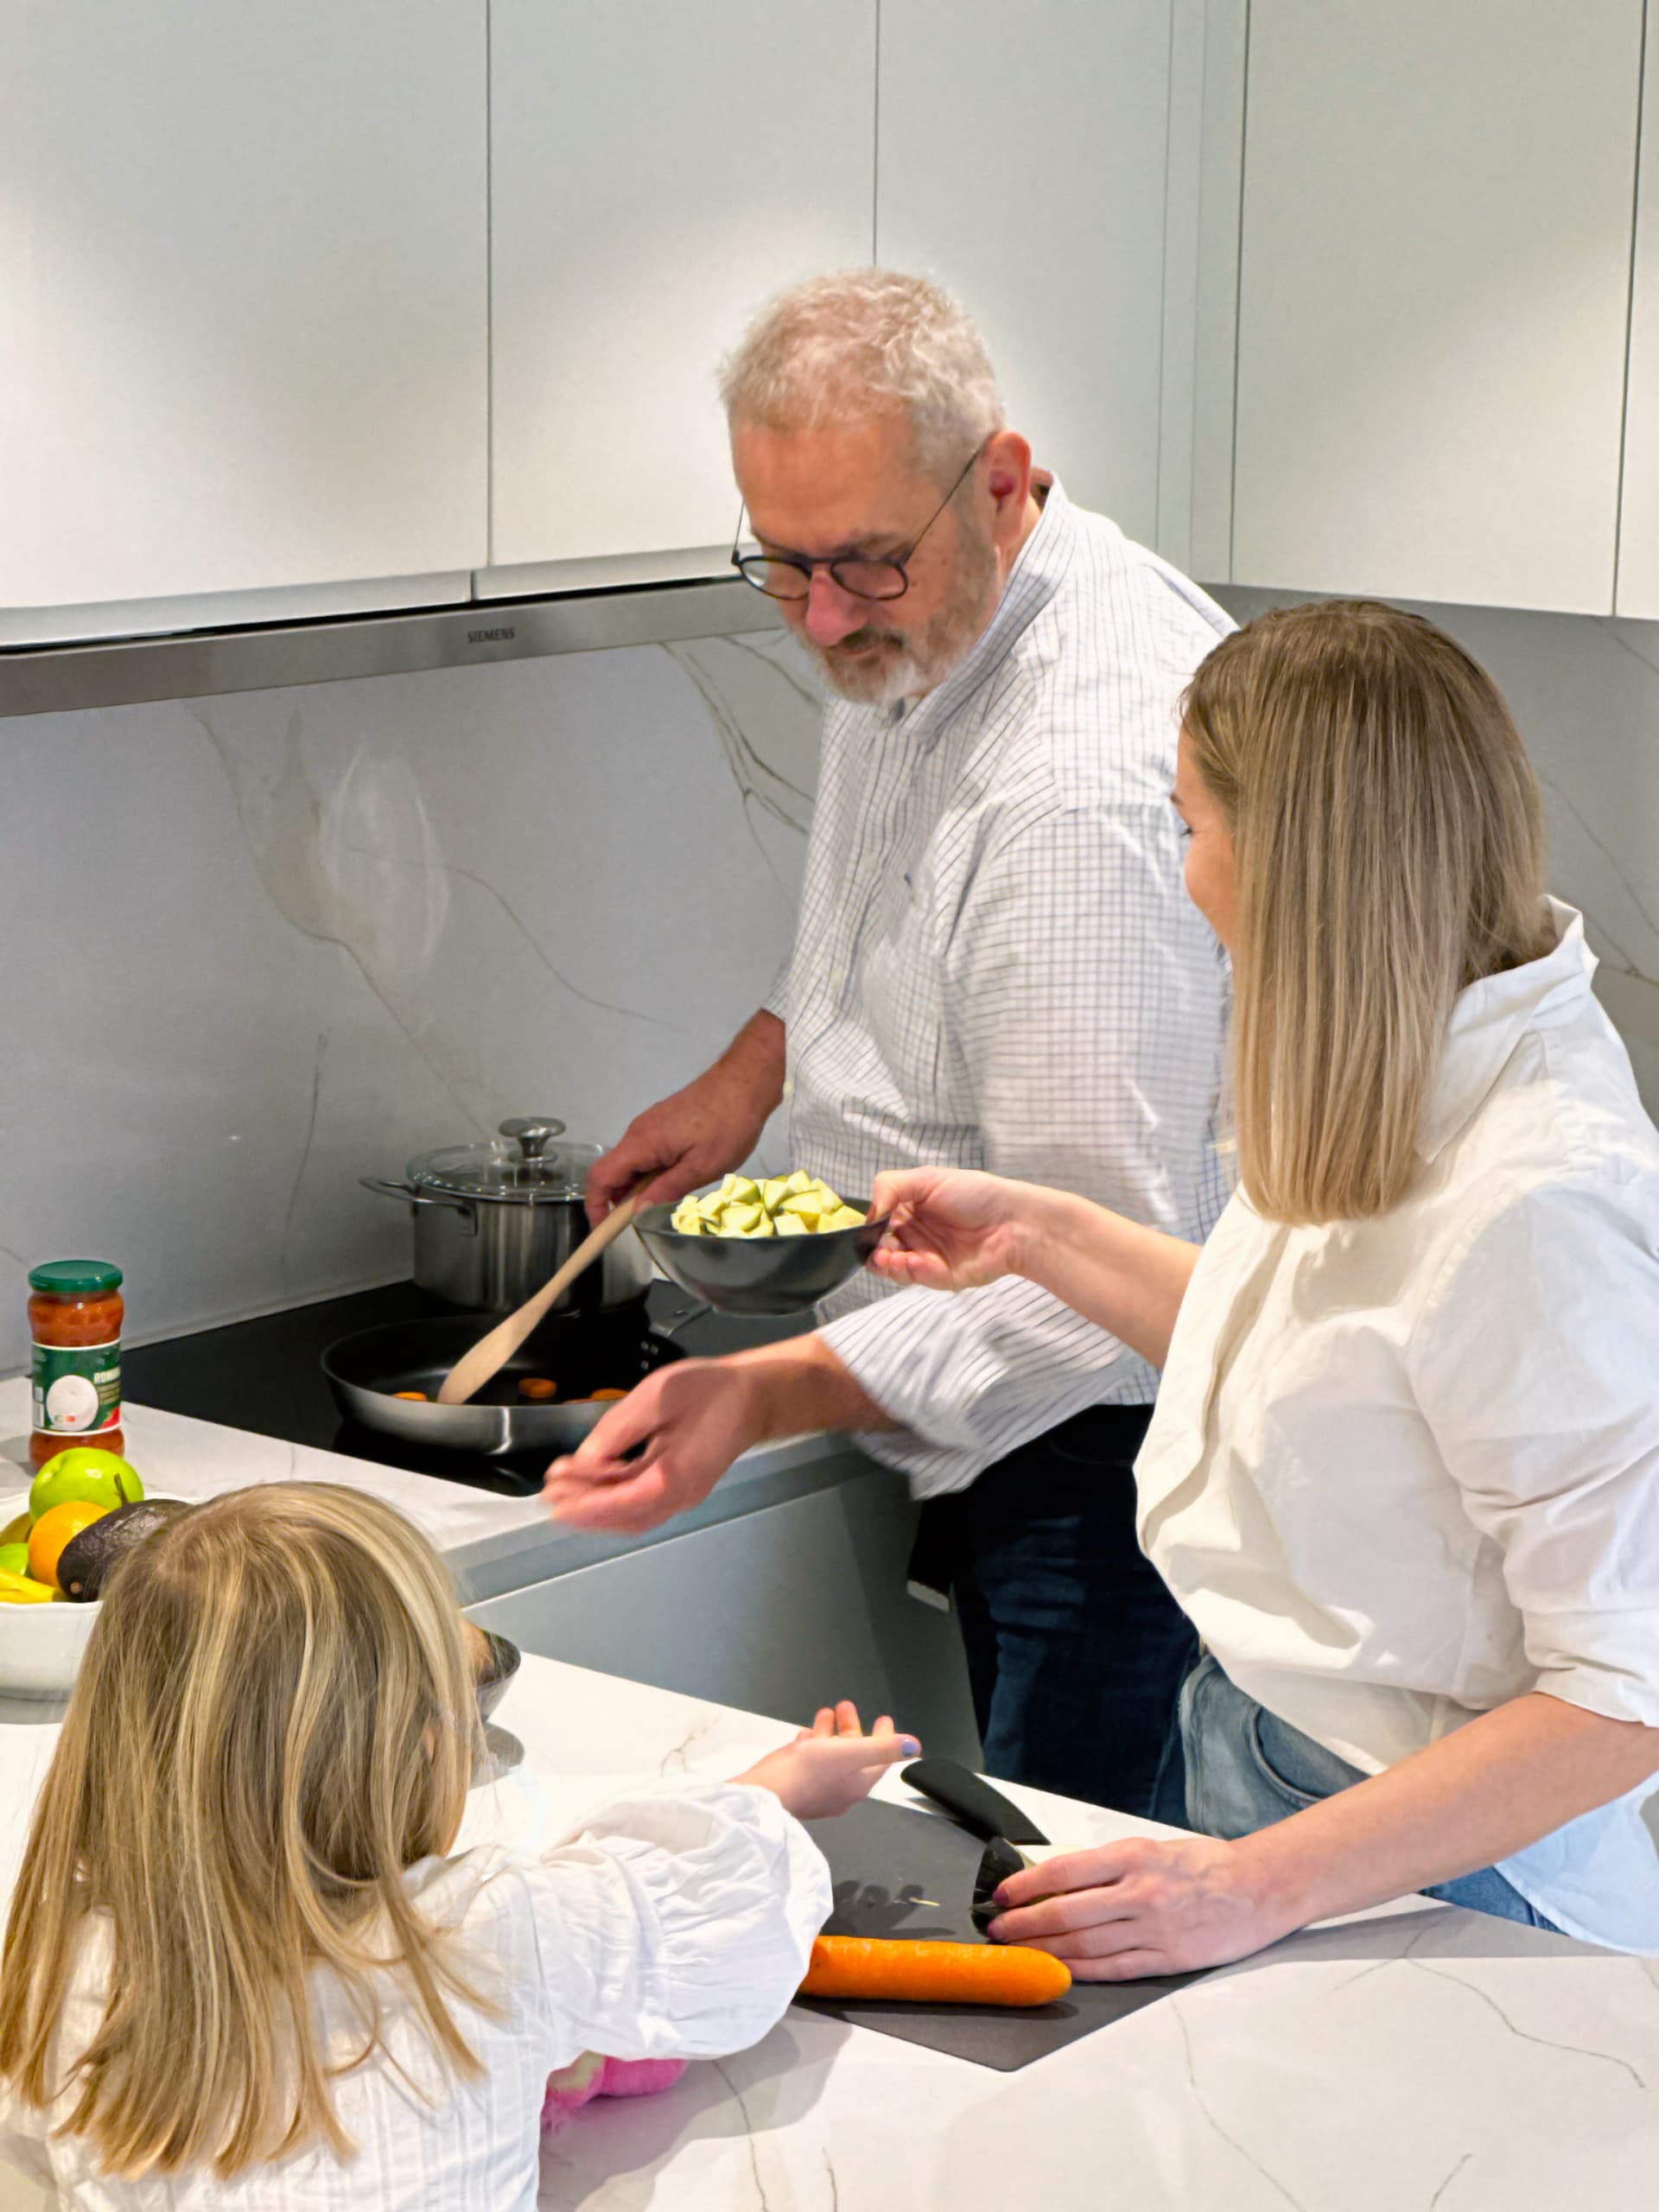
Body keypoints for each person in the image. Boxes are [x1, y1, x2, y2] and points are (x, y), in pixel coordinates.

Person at [860, 599, 1659, 1971]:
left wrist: (1254, 1887)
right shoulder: (1410, 1070)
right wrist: (1043, 1237)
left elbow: (1623, 1693)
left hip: (1448, 1875)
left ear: (1291, 863)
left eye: (1189, 826)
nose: (1183, 875)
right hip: (1272, 1778)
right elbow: (1315, 1366)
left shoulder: (1540, 1201)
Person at [567, 270, 1233, 1821]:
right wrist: (757, 1071)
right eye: (781, 563)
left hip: (1099, 1479)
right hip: (974, 1403)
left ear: (1000, 478)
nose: (816, 618)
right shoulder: (928, 605)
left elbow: (1098, 1288)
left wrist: (776, 1384)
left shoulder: (1078, 790)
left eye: (859, 564)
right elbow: (898, 910)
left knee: (1087, 1935)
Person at [0, 1484, 916, 2204]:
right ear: (430, 1745)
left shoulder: (69, 1953)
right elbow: (733, 1931)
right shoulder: (485, 1933)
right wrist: (773, 1793)